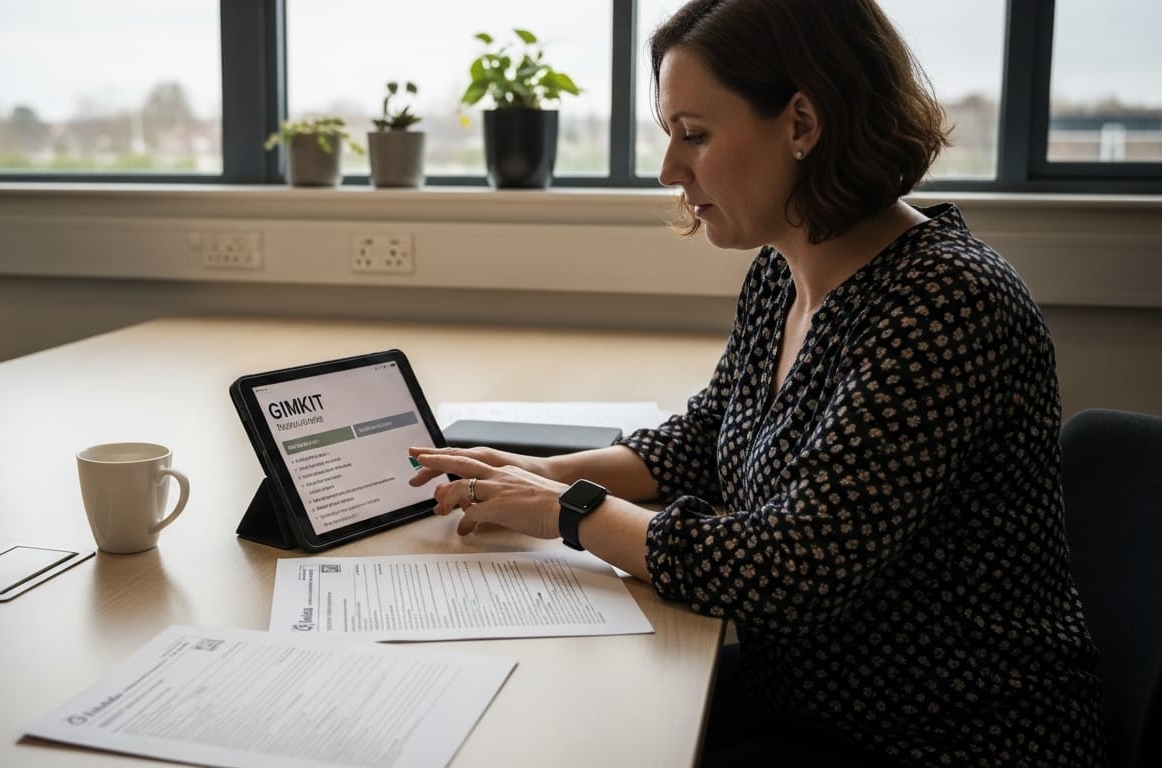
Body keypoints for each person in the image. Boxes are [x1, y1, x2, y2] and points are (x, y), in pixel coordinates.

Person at [409, 0, 1107, 765]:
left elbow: (789, 569)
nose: (671, 169)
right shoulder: (783, 272)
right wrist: (538, 474)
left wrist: (570, 512)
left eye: (694, 135)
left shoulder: (947, 303)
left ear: (803, 124)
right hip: (815, 702)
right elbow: (706, 440)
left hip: (947, 737)